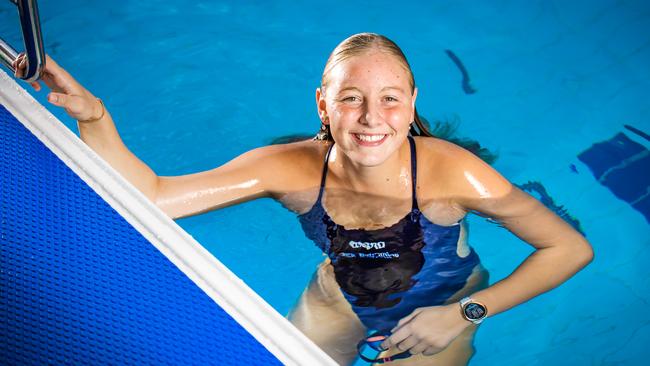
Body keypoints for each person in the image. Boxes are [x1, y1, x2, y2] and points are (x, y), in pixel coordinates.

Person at [13, 33, 594, 365]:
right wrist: (96, 118)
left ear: (413, 103)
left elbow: (569, 249)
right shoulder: (288, 170)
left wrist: (465, 313)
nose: (371, 118)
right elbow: (154, 198)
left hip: (443, 302)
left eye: (391, 99)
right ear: (322, 103)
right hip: (336, 299)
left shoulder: (454, 176)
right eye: (351, 98)